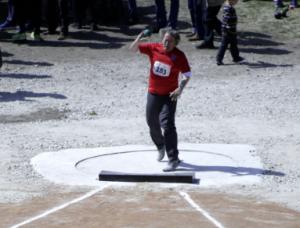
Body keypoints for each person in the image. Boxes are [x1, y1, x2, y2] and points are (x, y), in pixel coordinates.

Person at [129, 29, 192, 172]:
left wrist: (180, 88)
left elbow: (187, 74)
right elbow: (132, 49)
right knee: (151, 121)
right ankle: (160, 146)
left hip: (170, 95)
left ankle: (173, 159)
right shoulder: (154, 48)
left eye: (170, 41)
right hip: (153, 93)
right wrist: (139, 38)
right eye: (165, 40)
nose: (166, 43)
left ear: (176, 43)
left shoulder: (179, 56)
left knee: (168, 124)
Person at [216, 0, 244, 65]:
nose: (237, 2)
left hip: (230, 30)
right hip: (228, 31)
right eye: (236, 0)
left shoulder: (228, 7)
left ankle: (236, 57)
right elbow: (227, 20)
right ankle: (219, 59)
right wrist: (231, 26)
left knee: (233, 45)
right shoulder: (229, 8)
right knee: (224, 45)